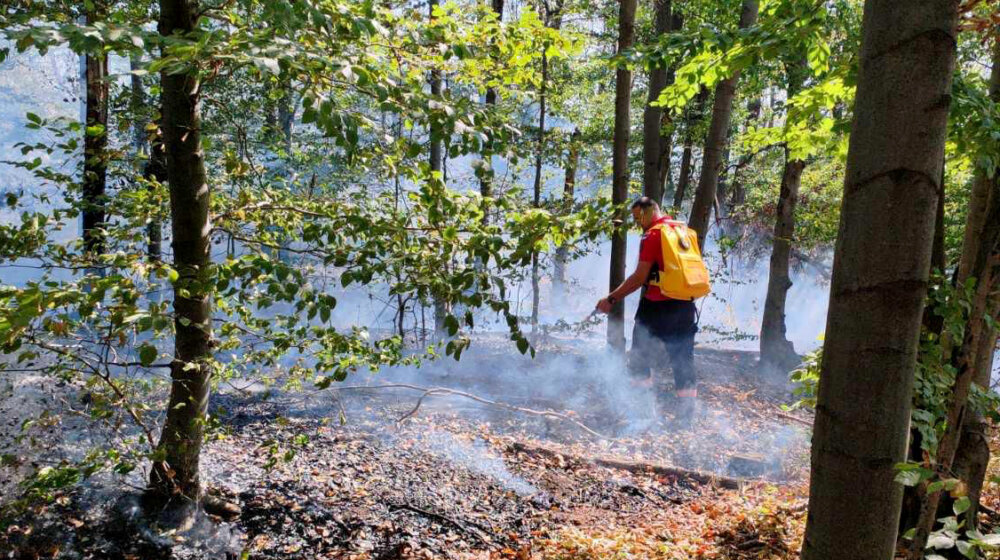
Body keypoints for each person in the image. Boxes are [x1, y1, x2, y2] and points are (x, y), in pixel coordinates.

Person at [596, 196, 699, 423]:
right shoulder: (683, 232)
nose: (637, 222)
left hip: (657, 306)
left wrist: (611, 299)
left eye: (638, 217)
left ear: (651, 210)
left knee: (639, 358)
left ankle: (644, 413)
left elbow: (639, 278)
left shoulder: (653, 235)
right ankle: (686, 418)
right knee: (683, 360)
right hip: (685, 305)